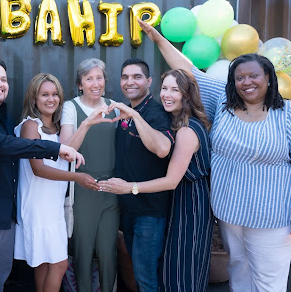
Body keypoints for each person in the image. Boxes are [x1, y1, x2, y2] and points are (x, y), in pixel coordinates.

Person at [138, 19, 291, 292]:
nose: (246, 82)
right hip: (229, 213)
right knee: (239, 274)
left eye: (254, 76)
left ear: (268, 77)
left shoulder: (288, 113)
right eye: (239, 78)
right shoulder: (223, 103)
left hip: (271, 219)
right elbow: (189, 70)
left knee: (268, 283)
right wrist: (157, 38)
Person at [0, 60, 84, 292]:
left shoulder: (2, 118)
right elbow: (3, 145)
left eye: (3, 79)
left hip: (2, 217)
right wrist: (55, 150)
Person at [100, 69, 214, 292]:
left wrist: (128, 188)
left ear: (187, 95)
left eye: (175, 90)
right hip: (176, 202)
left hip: (189, 206)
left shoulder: (187, 131)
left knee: (181, 270)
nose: (167, 95)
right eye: (164, 89)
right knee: (169, 271)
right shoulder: (177, 122)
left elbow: (171, 179)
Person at [14, 73, 99, 292]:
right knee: (59, 264)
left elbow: (68, 150)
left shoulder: (59, 129)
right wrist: (78, 177)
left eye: (55, 94)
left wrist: (88, 122)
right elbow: (38, 168)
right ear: (34, 99)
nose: (51, 99)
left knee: (44, 263)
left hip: (53, 207)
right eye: (44, 95)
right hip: (37, 207)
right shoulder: (30, 126)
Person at [102, 58, 174, 292]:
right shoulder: (125, 112)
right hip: (128, 209)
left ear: (149, 81)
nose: (129, 82)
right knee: (135, 275)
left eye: (137, 77)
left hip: (149, 211)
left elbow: (162, 149)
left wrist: (135, 116)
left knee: (146, 279)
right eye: (125, 77)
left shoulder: (155, 112)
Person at [59, 58, 120, 292]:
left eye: (99, 77)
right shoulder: (70, 107)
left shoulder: (114, 105)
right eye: (89, 78)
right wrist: (88, 122)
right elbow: (66, 150)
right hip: (83, 190)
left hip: (111, 189)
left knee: (107, 252)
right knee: (82, 252)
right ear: (80, 83)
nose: (96, 83)